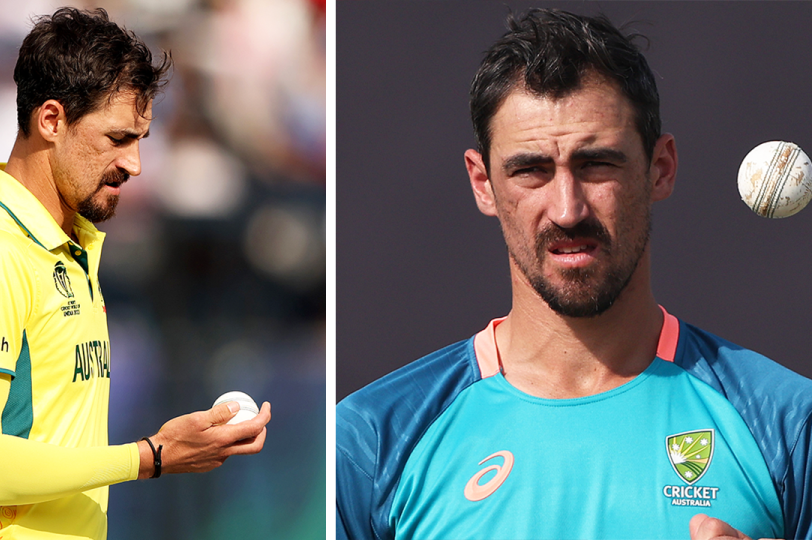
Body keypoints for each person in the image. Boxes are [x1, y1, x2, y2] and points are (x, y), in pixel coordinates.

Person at [336, 8, 812, 540]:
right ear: (482, 183)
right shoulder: (372, 441)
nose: (567, 209)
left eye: (597, 164)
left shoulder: (789, 425)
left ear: (661, 168)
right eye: (531, 170)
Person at [0, 8, 271, 540]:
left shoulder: (68, 247)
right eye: (119, 138)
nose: (136, 164)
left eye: (141, 139)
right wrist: (149, 457)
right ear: (51, 120)